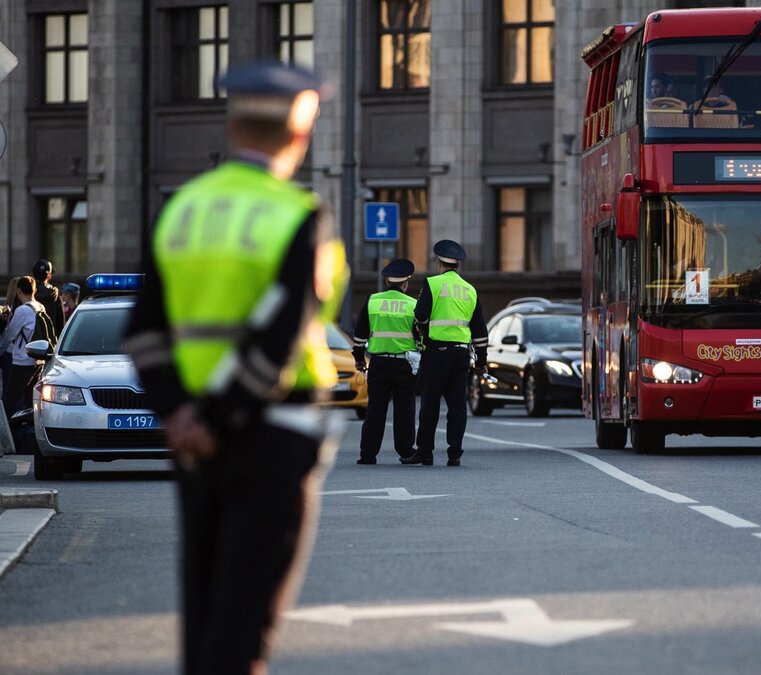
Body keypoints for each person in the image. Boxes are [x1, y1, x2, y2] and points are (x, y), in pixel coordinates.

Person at [123, 61, 345, 675]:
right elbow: (278, 338)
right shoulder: (298, 213)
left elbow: (143, 330)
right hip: (271, 434)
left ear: (231, 127)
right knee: (245, 623)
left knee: (203, 608)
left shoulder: (182, 210)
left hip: (193, 444)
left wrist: (179, 415)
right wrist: (222, 416)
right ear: (299, 137)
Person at [407, 239, 488, 467]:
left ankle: (425, 452)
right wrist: (482, 361)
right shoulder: (470, 289)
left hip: (437, 352)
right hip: (462, 354)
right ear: (458, 266)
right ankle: (455, 453)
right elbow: (480, 330)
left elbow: (421, 317)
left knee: (430, 403)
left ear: (439, 263)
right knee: (457, 405)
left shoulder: (432, 284)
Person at [352, 259, 420, 465]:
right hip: (404, 365)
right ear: (406, 283)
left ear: (388, 282)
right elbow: (419, 337)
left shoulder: (373, 301)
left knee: (375, 409)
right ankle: (406, 451)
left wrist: (358, 360)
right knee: (405, 409)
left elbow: (360, 335)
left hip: (379, 364)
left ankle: (368, 454)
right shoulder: (413, 304)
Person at [2, 276, 45, 414]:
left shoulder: (22, 310)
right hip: (37, 360)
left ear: (19, 291)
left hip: (22, 361)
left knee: (10, 400)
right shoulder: (40, 306)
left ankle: (9, 433)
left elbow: (10, 335)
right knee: (29, 401)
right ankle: (27, 432)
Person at [32, 259, 65, 335]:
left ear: (33, 275)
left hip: (30, 342)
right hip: (50, 341)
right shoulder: (55, 296)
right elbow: (60, 325)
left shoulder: (27, 294)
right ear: (49, 276)